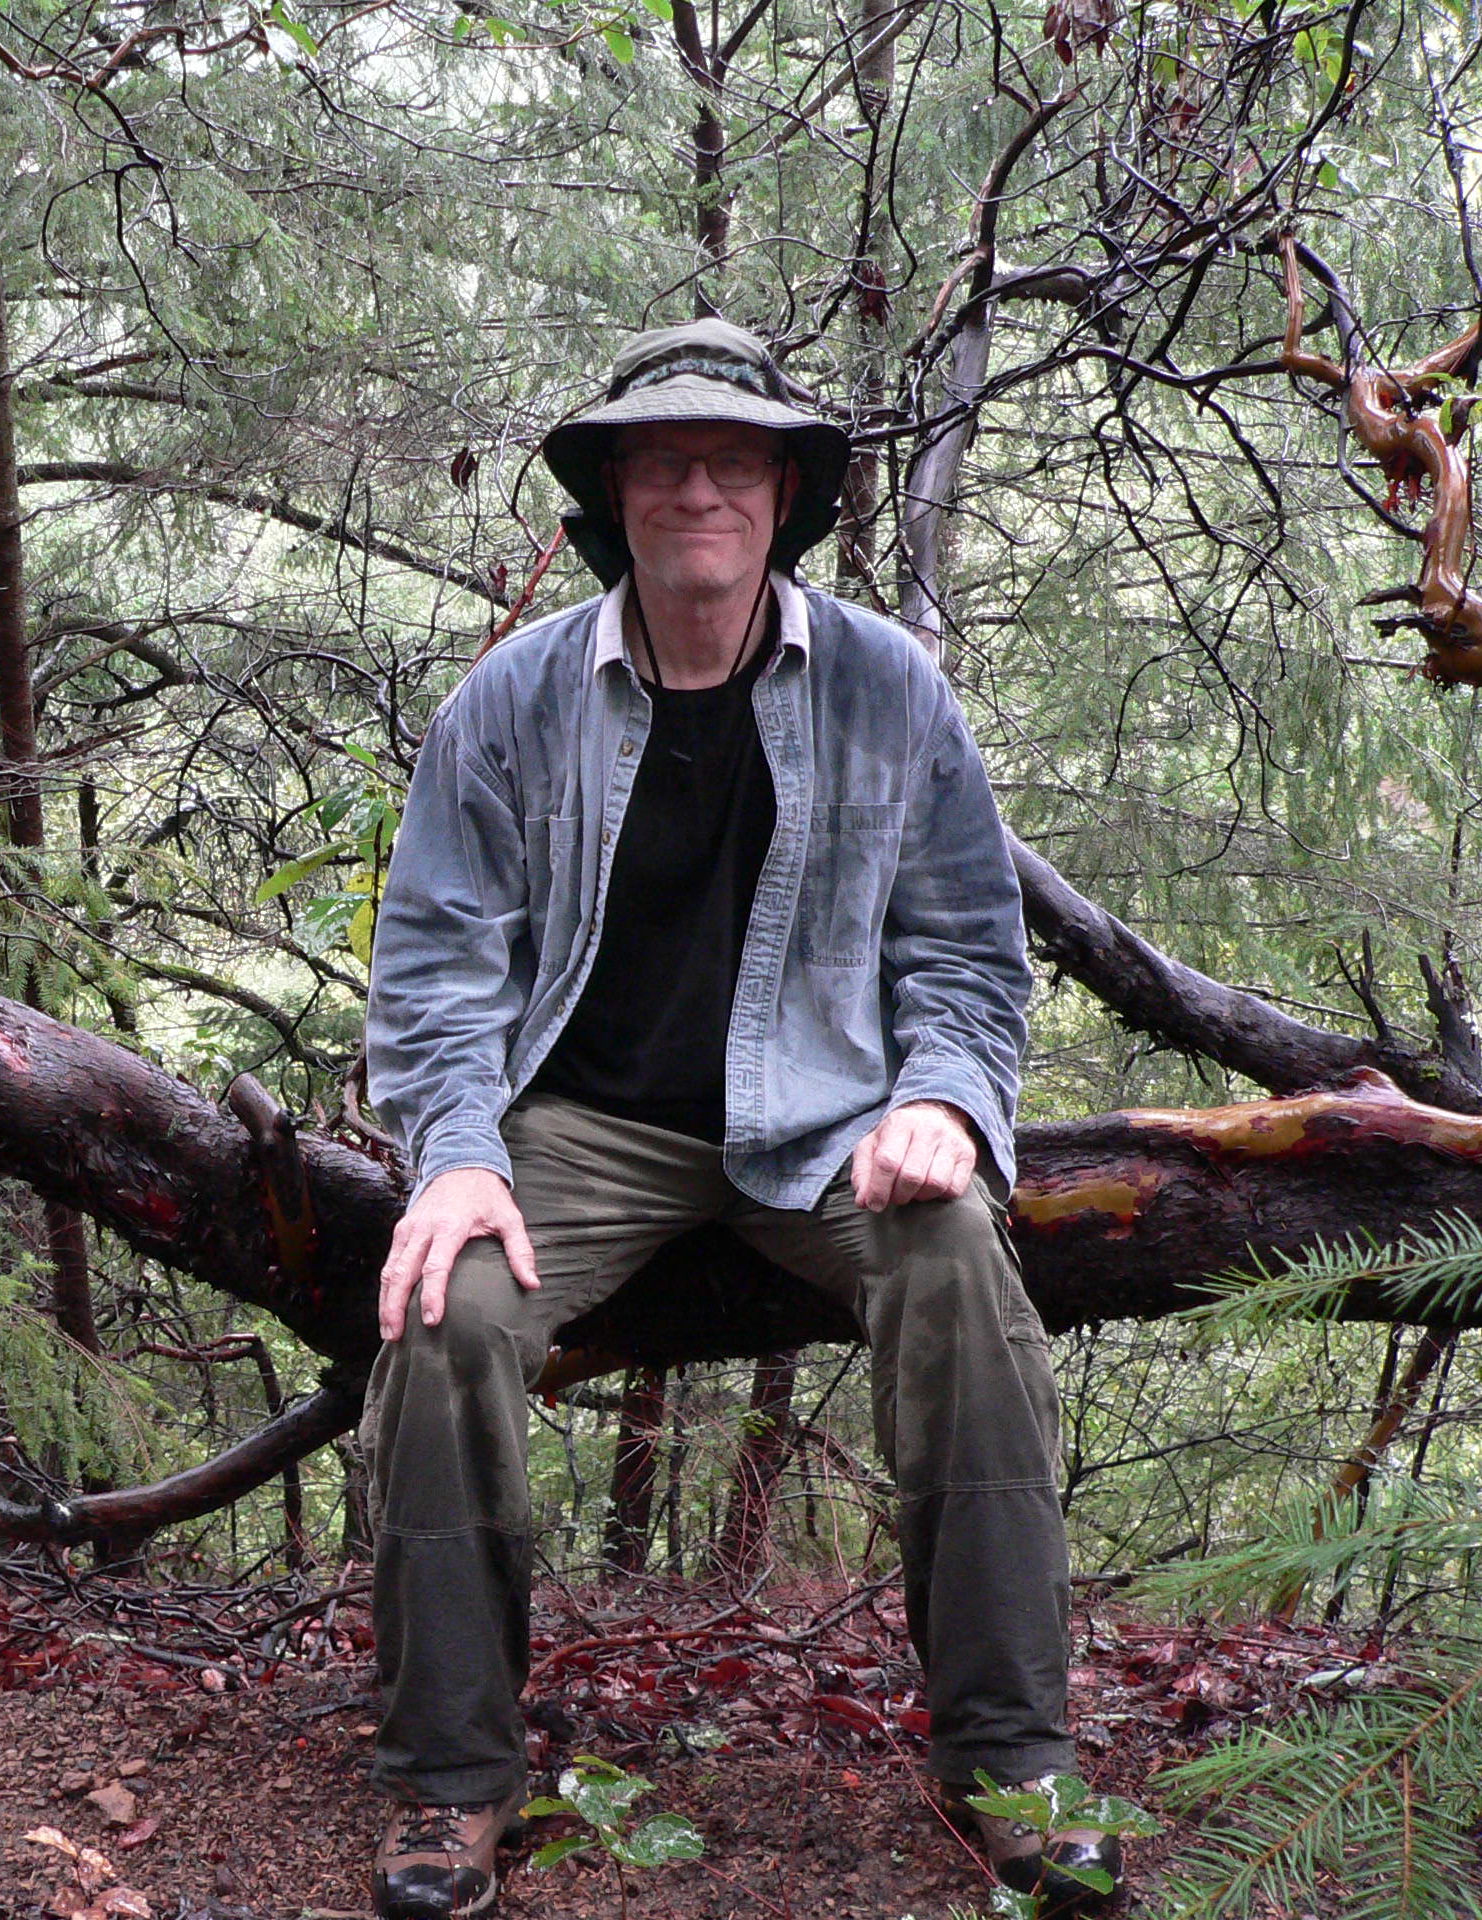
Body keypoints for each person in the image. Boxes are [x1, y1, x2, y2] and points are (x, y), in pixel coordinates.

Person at [358, 317, 1117, 1918]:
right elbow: (435, 969)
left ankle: (1011, 1759)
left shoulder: (889, 689)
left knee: (965, 1272)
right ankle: (449, 1780)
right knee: (444, 1312)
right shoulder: (508, 703)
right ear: (615, 494)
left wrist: (941, 1102)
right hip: (576, 1127)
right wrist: (457, 1159)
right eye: (663, 460)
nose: (698, 487)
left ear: (784, 495)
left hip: (830, 1112)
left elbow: (970, 954)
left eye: (733, 462)